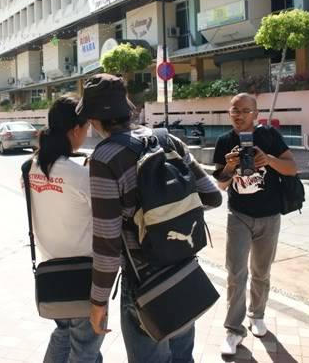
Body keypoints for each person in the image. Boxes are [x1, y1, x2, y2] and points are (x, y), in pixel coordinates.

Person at [77, 74, 222, 363]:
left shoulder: (105, 158)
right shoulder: (167, 139)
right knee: (183, 357)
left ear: (94, 120)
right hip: (183, 269)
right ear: (126, 108)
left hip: (144, 282)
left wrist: (98, 301)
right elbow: (212, 197)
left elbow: (107, 242)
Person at [212, 93, 297, 356]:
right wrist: (228, 166)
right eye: (234, 111)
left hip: (270, 216)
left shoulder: (270, 136)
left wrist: (269, 160)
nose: (238, 116)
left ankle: (257, 315)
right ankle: (233, 330)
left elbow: (292, 168)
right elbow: (221, 184)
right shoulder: (225, 141)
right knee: (236, 273)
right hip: (238, 215)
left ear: (256, 113)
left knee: (261, 271)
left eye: (244, 111)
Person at [24, 95, 104, 362]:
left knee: (64, 335)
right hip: (84, 276)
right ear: (75, 130)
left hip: (52, 272)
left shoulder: (29, 169)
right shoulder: (80, 175)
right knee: (85, 349)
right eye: (86, 127)